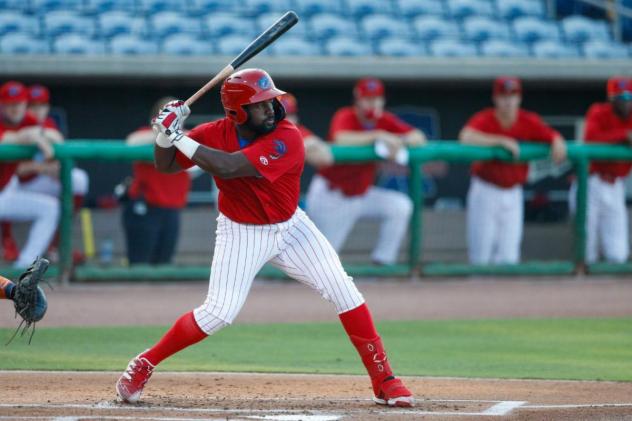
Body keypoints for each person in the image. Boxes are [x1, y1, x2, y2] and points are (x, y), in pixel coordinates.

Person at [115, 69, 414, 408]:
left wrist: (178, 134)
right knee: (218, 313)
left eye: (271, 99)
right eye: (260, 104)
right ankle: (144, 363)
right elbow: (167, 165)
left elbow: (229, 166)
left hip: (291, 228)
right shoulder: (213, 132)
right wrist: (164, 136)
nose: (272, 107)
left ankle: (384, 379)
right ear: (238, 112)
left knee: (344, 290)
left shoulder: (288, 135)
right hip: (241, 231)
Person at [305, 77, 426, 265]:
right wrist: (378, 136)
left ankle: (382, 262)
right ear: (358, 99)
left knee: (400, 206)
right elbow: (341, 139)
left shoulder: (384, 119)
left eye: (376, 98)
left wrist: (399, 141)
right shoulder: (346, 115)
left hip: (361, 194)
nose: (373, 103)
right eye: (368, 99)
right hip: (332, 195)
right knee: (322, 262)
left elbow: (419, 137)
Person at [459, 76, 567, 265]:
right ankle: (477, 293)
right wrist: (500, 140)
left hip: (513, 192)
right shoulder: (486, 118)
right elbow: (465, 137)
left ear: (519, 98)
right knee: (481, 255)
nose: (508, 101)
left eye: (513, 95)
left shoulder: (528, 120)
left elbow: (551, 135)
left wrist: (557, 140)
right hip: (486, 189)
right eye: (504, 95)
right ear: (496, 98)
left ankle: (505, 295)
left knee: (509, 256)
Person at [122, 97, 192, 264]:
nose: (175, 118)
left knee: (164, 263)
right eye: (169, 113)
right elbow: (130, 142)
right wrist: (163, 129)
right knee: (140, 263)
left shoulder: (186, 138)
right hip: (145, 208)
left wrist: (175, 132)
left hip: (172, 210)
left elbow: (199, 157)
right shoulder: (145, 134)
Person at [571, 76, 632, 263]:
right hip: (591, 183)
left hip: (615, 186)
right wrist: (624, 135)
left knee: (618, 254)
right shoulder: (599, 112)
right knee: (586, 253)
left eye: (629, 98)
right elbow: (591, 138)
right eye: (620, 99)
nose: (626, 103)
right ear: (611, 99)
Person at [0, 81, 60, 268]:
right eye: (9, 104)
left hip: (5, 192)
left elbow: (56, 138)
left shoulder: (28, 121)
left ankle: (24, 268)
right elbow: (7, 139)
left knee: (50, 207)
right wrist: (27, 136)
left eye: (18, 103)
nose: (14, 109)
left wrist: (39, 133)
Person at [279, 93, 333, 168]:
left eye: (289, 115)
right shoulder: (263, 132)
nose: (285, 120)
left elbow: (326, 159)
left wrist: (304, 146)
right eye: (280, 116)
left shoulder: (297, 132)